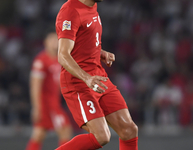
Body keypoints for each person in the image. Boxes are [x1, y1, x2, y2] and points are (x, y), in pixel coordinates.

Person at [55, 0, 138, 149]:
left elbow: (82, 42)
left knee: (129, 129)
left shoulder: (92, 6)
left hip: (98, 77)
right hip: (79, 82)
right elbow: (63, 55)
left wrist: (101, 53)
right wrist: (87, 78)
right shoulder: (70, 11)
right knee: (102, 136)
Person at [26, 31, 73, 150]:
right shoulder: (41, 60)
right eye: (52, 40)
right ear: (45, 42)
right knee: (65, 130)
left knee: (39, 134)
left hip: (54, 101)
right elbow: (35, 85)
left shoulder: (58, 59)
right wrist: (36, 108)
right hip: (47, 104)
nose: (55, 42)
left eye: (56, 40)